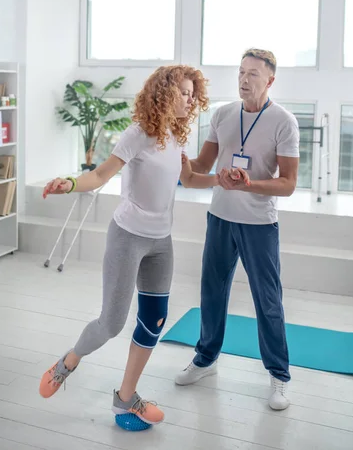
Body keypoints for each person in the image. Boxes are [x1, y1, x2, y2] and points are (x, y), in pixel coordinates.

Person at [39, 65, 247, 426]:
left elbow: (188, 177)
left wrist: (221, 179)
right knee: (111, 322)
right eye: (184, 92)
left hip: (160, 242)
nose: (190, 99)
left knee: (154, 320)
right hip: (128, 237)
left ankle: (125, 398)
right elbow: (101, 174)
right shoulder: (137, 134)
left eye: (192, 93)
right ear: (163, 94)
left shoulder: (177, 135)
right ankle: (68, 362)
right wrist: (69, 184)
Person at [175, 49, 300, 411]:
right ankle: (205, 359)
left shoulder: (283, 121)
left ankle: (279, 375)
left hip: (259, 224)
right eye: (241, 72)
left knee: (268, 300)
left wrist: (249, 185)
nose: (244, 80)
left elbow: (289, 183)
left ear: (270, 80)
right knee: (211, 291)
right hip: (220, 218)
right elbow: (200, 167)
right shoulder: (223, 114)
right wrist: (179, 157)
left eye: (254, 75)